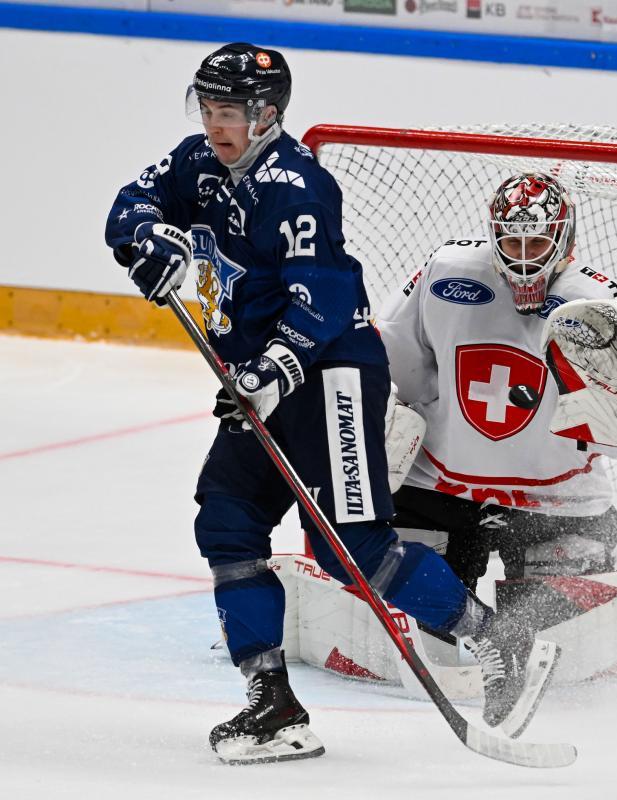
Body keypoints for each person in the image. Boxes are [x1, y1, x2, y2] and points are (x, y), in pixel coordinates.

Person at [103, 43, 556, 765]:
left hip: (330, 376)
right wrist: (147, 239)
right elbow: (130, 205)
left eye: (232, 112)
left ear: (268, 114)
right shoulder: (197, 164)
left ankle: (497, 635)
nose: (217, 125)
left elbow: (325, 297)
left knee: (352, 550)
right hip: (257, 379)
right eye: (210, 109)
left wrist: (274, 369)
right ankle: (272, 704)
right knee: (227, 517)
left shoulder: (297, 185)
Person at [374, 173, 617, 603]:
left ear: (564, 240)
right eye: (512, 243)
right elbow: (391, 365)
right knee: (418, 615)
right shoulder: (445, 273)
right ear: (494, 237)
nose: (525, 260)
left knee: (549, 635)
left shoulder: (597, 307)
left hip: (555, 499)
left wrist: (609, 412)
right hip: (437, 486)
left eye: (537, 245)